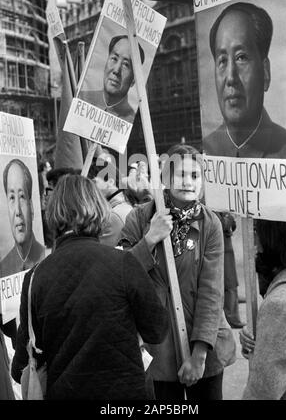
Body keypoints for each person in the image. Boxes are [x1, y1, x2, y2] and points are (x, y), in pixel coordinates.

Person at [11, 174, 168, 400]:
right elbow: (157, 329)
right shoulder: (124, 263)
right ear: (98, 207)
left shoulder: (35, 277)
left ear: (53, 212)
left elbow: (21, 368)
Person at [119, 144, 236, 400]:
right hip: (156, 349)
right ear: (166, 177)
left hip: (204, 348)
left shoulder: (210, 224)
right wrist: (149, 239)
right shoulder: (139, 219)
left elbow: (211, 292)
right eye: (181, 174)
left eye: (195, 176)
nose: (188, 182)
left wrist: (199, 354)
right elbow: (121, 275)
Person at [204, 2, 286, 158]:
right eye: (222, 61)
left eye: (241, 58)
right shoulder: (206, 153)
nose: (230, 77)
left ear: (266, 72)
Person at [240, 220, 286, 400]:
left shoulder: (281, 304)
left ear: (274, 238)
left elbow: (263, 390)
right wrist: (263, 336)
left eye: (257, 230)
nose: (253, 238)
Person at [80, 35, 145, 124]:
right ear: (106, 63)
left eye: (126, 64)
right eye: (114, 59)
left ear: (133, 80)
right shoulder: (81, 100)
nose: (116, 70)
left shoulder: (131, 121)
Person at [0, 159, 45, 277]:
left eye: (21, 196)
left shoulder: (45, 259)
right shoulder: (3, 267)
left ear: (31, 206)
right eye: (12, 198)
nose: (18, 211)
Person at [88, 158, 134, 247]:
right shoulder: (121, 207)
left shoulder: (114, 216)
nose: (90, 188)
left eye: (94, 182)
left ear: (110, 181)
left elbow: (100, 254)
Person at [216, 212, 244, 329]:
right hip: (219, 250)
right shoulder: (213, 208)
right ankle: (232, 318)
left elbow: (232, 225)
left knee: (231, 283)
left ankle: (233, 317)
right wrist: (229, 217)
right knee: (228, 284)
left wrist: (229, 218)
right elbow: (224, 225)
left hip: (226, 249)